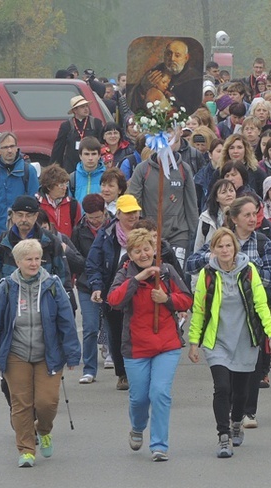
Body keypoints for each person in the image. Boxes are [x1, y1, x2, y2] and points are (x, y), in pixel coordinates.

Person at [0, 239, 81, 468]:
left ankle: (44, 430)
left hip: (49, 354)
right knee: (21, 404)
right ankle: (26, 449)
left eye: (38, 258)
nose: (34, 263)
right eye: (29, 259)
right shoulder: (6, 287)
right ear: (18, 262)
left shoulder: (53, 285)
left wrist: (73, 353)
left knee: (47, 402)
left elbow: (67, 322)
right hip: (15, 354)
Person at [187, 228, 271, 458]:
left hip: (245, 340)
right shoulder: (207, 275)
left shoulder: (248, 271)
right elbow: (199, 309)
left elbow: (261, 305)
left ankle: (236, 421)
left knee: (240, 393)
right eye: (220, 246)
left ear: (235, 248)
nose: (225, 250)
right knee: (222, 388)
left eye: (228, 245)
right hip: (217, 340)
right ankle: (223, 436)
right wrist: (193, 342)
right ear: (213, 250)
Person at [107, 229, 192, 462]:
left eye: (147, 249)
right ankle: (137, 426)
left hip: (167, 343)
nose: (143, 254)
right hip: (136, 346)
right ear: (131, 254)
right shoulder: (125, 274)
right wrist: (137, 279)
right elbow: (113, 301)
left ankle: (159, 444)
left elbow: (187, 298)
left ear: (154, 250)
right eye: (137, 250)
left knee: (160, 393)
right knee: (139, 398)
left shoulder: (167, 272)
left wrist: (167, 300)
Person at [86, 194, 143, 390]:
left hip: (141, 289)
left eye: (135, 212)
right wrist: (97, 286)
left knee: (139, 332)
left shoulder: (145, 231)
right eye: (127, 212)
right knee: (117, 334)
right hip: (114, 290)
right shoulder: (106, 234)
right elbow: (93, 263)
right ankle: (122, 374)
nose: (132, 216)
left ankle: (141, 372)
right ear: (117, 213)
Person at [0, 195, 72, 308]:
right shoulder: (2, 242)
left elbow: (63, 278)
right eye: (19, 215)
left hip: (44, 307)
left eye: (28, 215)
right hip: (9, 308)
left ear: (36, 216)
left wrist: (60, 304)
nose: (23, 219)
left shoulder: (50, 241)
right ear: (12, 216)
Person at [127, 133, 199, 267]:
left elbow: (191, 205)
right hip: (150, 234)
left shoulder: (184, 169)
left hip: (178, 233)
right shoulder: (142, 169)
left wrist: (195, 234)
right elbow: (133, 202)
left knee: (176, 272)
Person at [0, 132, 39, 251]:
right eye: (5, 147)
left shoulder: (28, 171)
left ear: (16, 148)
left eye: (12, 146)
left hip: (24, 232)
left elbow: (36, 204)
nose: (9, 150)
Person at [71, 194, 109, 383]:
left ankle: (117, 361)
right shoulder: (79, 229)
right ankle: (89, 369)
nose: (94, 221)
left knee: (113, 325)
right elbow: (74, 255)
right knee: (90, 327)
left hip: (110, 283)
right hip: (86, 285)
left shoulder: (113, 228)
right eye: (90, 217)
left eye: (98, 217)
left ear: (104, 212)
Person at [52, 95, 104, 173]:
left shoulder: (96, 123)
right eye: (82, 107)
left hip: (92, 165)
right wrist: (54, 167)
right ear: (75, 110)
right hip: (71, 165)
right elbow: (59, 148)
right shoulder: (66, 126)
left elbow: (102, 143)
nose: (86, 109)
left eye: (87, 106)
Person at [36, 165, 81, 238]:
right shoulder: (36, 204)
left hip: (67, 247)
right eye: (61, 185)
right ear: (49, 187)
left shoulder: (73, 205)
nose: (65, 188)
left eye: (66, 184)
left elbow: (77, 231)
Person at [194, 178, 236, 252]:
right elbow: (199, 245)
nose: (229, 194)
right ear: (216, 198)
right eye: (224, 192)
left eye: (231, 191)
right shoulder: (206, 217)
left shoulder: (240, 214)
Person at [69, 137, 107, 203]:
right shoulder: (72, 178)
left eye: (94, 154)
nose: (90, 158)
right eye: (86, 154)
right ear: (80, 156)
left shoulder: (107, 176)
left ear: (99, 156)